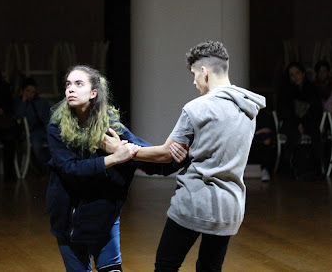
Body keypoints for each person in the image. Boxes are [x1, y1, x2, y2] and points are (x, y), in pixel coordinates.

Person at [104, 41, 265, 271]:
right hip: (230, 207)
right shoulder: (249, 108)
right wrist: (190, 149)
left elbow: (163, 155)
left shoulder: (197, 108)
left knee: (165, 267)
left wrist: (122, 150)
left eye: (193, 74)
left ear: (204, 71)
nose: (194, 81)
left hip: (195, 202)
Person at [46, 65, 187, 272]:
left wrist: (175, 158)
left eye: (78, 84)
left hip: (104, 215)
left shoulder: (110, 125)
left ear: (93, 93)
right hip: (68, 220)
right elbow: (70, 168)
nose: (70, 89)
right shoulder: (57, 127)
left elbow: (142, 155)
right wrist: (114, 158)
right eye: (68, 84)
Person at [277, 62, 323, 179]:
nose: (295, 77)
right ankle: (286, 166)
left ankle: (316, 168)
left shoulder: (311, 89)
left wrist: (303, 122)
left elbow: (316, 109)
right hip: (290, 122)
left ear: (303, 74)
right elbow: (285, 111)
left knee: (315, 133)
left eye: (297, 73)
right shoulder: (285, 91)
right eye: (292, 75)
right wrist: (298, 123)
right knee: (293, 134)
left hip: (308, 122)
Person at [13, 77, 51, 174]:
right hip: (31, 132)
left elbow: (49, 115)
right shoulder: (19, 102)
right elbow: (19, 116)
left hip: (44, 129)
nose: (30, 94)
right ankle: (44, 168)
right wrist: (24, 100)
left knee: (56, 142)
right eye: (27, 91)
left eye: (33, 92)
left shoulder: (41, 102)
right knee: (36, 145)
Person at [248, 108, 277, 182]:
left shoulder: (265, 115)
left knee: (266, 140)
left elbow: (268, 129)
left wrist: (257, 133)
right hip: (248, 135)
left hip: (259, 135)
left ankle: (264, 169)